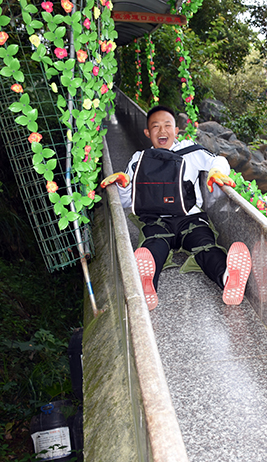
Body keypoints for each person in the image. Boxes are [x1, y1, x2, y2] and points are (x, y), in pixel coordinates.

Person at [100, 105, 251, 310]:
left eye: (167, 125)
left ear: (176, 130)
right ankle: (146, 285)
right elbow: (127, 201)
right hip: (157, 220)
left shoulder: (191, 151)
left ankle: (227, 277)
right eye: (155, 126)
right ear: (147, 132)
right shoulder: (140, 159)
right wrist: (123, 185)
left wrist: (216, 171)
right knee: (154, 244)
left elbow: (218, 160)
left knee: (205, 245)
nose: (162, 131)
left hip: (191, 218)